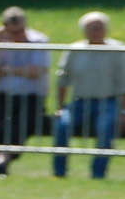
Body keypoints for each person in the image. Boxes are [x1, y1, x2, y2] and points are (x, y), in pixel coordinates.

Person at [52, 12, 125, 180]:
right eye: (90, 28)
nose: (95, 31)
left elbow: (123, 83)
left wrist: (123, 112)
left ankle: (98, 174)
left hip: (108, 102)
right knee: (62, 125)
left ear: (106, 29)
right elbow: (63, 80)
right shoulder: (74, 50)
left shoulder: (118, 50)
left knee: (105, 127)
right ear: (83, 30)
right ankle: (59, 173)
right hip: (79, 102)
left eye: (99, 27)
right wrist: (60, 107)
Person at [0, 7, 49, 176]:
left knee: (20, 123)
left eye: (20, 31)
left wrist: (7, 70)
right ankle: (0, 162)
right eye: (13, 32)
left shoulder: (38, 41)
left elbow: (36, 72)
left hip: (32, 97)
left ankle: (1, 161)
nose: (17, 36)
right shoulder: (0, 42)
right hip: (4, 95)